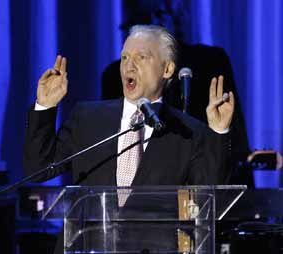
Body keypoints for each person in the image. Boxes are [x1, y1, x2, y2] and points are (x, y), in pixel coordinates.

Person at [23, 25, 233, 254]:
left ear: (168, 69)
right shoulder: (88, 118)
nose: (128, 66)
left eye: (141, 57)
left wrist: (218, 132)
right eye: (124, 58)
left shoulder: (188, 133)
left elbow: (207, 199)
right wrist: (45, 108)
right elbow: (38, 170)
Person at [102, 0, 254, 187]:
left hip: (201, 188)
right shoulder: (113, 75)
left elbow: (232, 138)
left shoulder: (210, 62)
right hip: (135, 194)